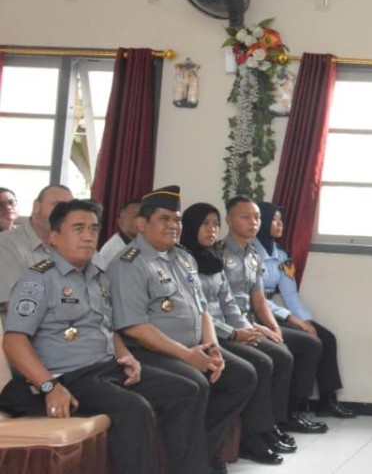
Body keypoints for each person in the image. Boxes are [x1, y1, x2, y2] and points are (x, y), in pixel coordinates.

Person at [1, 199, 208, 474]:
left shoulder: (97, 277)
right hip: (67, 375)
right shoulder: (37, 281)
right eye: (78, 228)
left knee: (185, 390)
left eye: (93, 228)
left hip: (105, 368)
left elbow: (107, 327)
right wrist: (49, 386)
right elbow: (14, 341)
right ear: (53, 237)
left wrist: (125, 354)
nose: (88, 236)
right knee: (134, 409)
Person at [108, 185, 257, 474]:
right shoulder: (129, 264)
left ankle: (200, 452)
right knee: (195, 383)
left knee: (243, 375)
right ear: (142, 223)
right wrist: (189, 357)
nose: (174, 225)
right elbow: (135, 327)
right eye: (164, 219)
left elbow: (201, 310)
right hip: (150, 352)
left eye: (176, 219)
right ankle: (192, 464)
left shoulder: (184, 258)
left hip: (193, 347)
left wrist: (213, 346)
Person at [181, 201, 295, 462]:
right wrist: (233, 333)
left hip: (227, 327)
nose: (212, 229)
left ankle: (266, 428)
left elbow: (229, 303)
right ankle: (252, 436)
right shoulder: (185, 260)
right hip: (207, 334)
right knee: (261, 363)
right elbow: (197, 311)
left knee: (277, 354)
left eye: (214, 224)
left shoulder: (211, 258)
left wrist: (247, 328)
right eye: (205, 224)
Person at [219, 196, 326, 434]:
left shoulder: (253, 255)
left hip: (253, 321)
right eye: (245, 217)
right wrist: (257, 328)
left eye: (256, 217)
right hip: (232, 326)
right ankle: (271, 424)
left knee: (310, 344)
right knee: (281, 355)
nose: (253, 222)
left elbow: (259, 300)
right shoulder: (219, 254)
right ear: (228, 220)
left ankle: (292, 412)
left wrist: (275, 328)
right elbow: (223, 304)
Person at [254, 201, 356, 418]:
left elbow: (290, 295)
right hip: (259, 312)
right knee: (309, 343)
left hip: (277, 310)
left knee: (325, 337)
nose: (280, 224)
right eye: (274, 219)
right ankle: (298, 406)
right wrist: (293, 320)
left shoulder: (281, 253)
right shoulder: (250, 252)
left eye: (282, 220)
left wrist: (307, 321)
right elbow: (259, 298)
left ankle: (327, 401)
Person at [0, 184, 72, 310]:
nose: (64, 214)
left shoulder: (72, 244)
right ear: (36, 206)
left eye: (69, 208)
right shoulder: (6, 244)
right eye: (57, 206)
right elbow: (17, 307)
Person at [94, 199, 142, 271]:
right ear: (121, 222)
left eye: (144, 216)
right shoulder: (115, 250)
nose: (142, 220)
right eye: (136, 216)